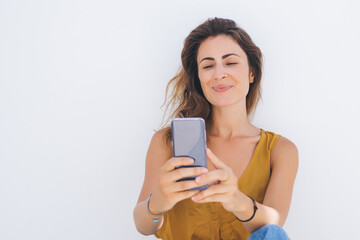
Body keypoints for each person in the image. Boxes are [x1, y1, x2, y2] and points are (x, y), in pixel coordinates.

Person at [133, 17, 298, 240]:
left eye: (230, 62)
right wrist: (158, 202)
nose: (219, 74)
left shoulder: (281, 150)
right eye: (208, 66)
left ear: (252, 73)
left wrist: (236, 200)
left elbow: (274, 225)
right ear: (199, 78)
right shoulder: (166, 141)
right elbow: (145, 226)